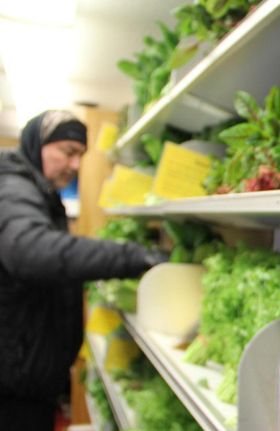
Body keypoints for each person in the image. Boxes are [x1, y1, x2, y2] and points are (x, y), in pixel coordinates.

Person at [0, 110, 166, 430]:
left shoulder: (40, 192)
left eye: (81, 156)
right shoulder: (11, 188)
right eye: (68, 152)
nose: (76, 166)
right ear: (39, 144)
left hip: (27, 378)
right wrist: (136, 257)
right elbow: (33, 251)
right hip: (14, 388)